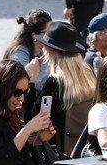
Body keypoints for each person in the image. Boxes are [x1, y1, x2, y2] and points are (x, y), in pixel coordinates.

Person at [34, 20, 97, 153]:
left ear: (50, 50)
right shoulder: (89, 74)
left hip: (60, 152)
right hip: (86, 147)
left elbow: (34, 119)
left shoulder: (54, 83)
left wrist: (30, 82)